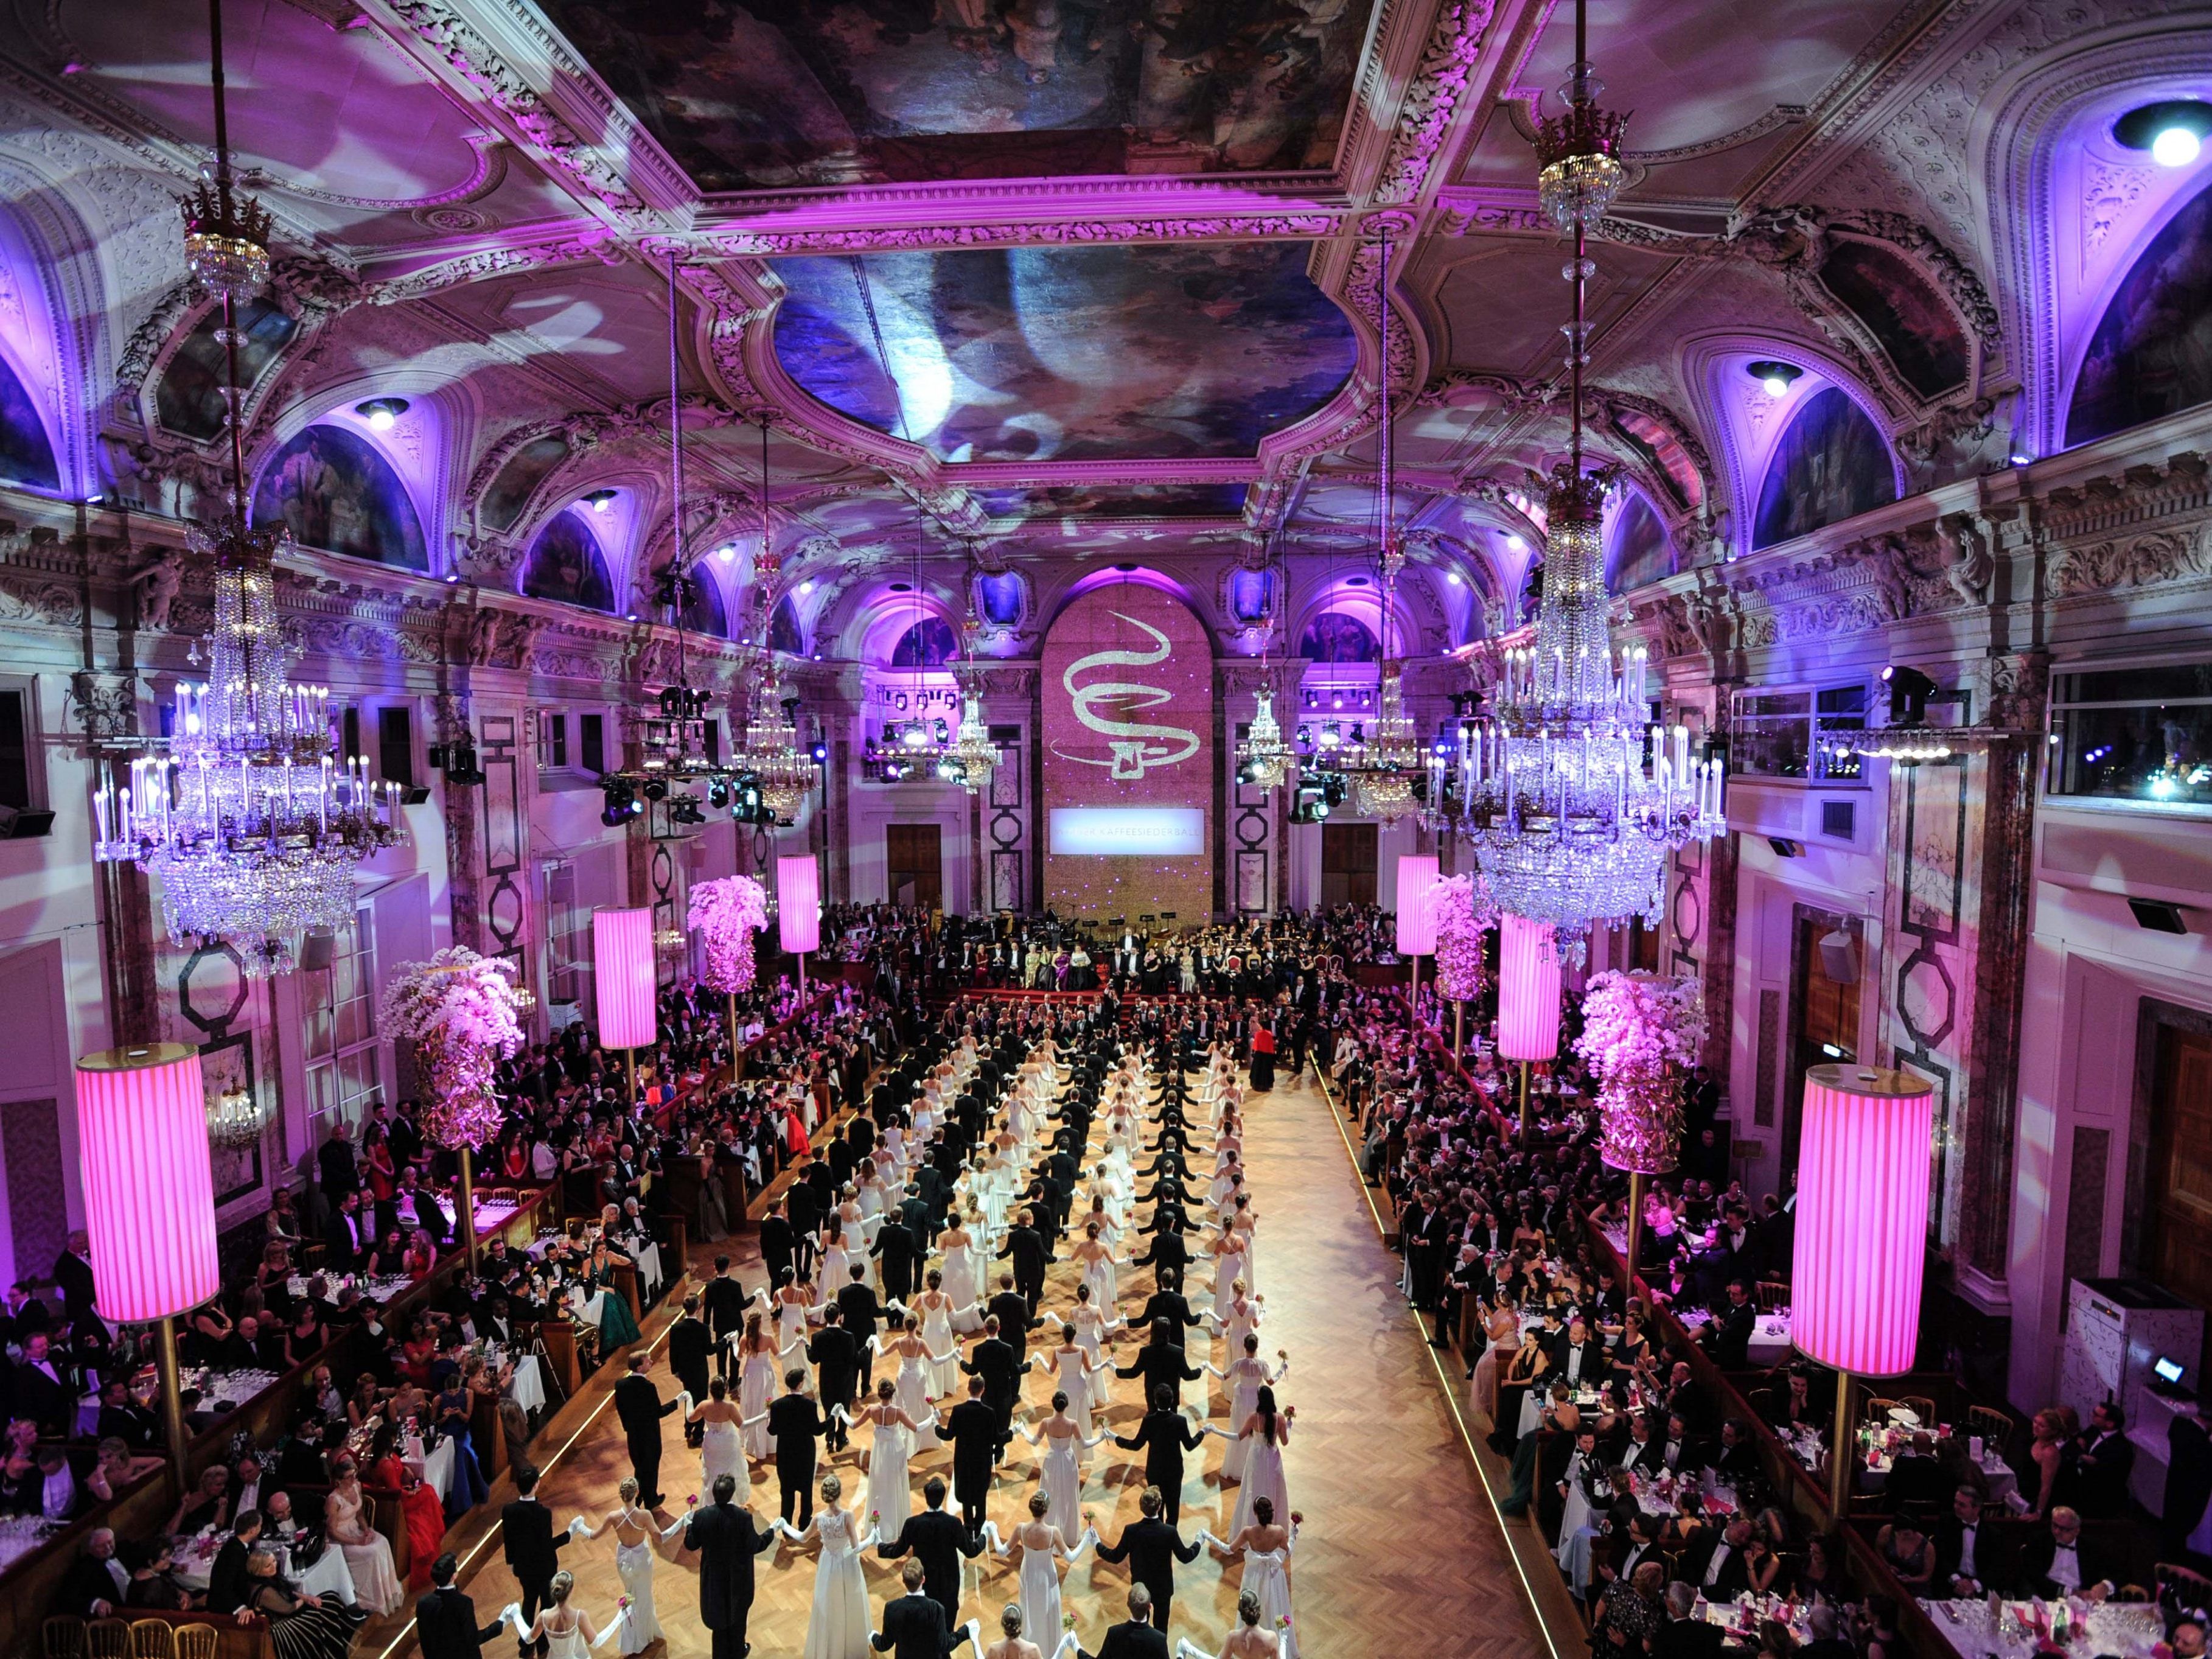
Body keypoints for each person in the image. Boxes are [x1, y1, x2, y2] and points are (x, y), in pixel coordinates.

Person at [775, 1470, 878, 1659]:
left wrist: (785, 1525)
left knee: (829, 1603)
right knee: (849, 1601)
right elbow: (856, 1548)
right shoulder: (847, 1516)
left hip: (828, 1563)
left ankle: (831, 1647)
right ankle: (851, 1646)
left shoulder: (819, 1518)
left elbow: (802, 1538)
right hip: (847, 1563)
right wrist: (872, 1538)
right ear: (840, 1493)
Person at [573, 1477, 682, 1655]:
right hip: (642, 1564)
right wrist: (682, 1522)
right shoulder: (644, 1515)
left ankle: (632, 1638)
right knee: (644, 1597)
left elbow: (593, 1536)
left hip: (624, 1563)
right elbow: (661, 1538)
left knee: (630, 1595)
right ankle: (643, 1638)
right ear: (637, 1493)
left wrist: (579, 1526)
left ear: (621, 1495)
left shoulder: (613, 1517)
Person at [877, 1475, 988, 1638]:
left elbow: (897, 1551)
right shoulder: (953, 1523)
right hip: (948, 1586)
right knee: (946, 1630)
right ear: (943, 1497)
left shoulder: (913, 1523)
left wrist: (879, 1546)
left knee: (925, 1630)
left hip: (924, 1584)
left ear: (926, 1497)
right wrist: (984, 1535)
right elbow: (971, 1551)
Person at [687, 1471, 778, 1659]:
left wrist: (689, 1526)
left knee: (719, 1626)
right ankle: (738, 1651)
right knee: (738, 1622)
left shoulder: (701, 1516)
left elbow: (691, 1544)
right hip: (739, 1579)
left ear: (714, 1493)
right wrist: (770, 1533)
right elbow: (756, 1545)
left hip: (714, 1580)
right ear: (732, 1494)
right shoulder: (743, 1518)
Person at [994, 1490, 1092, 1652]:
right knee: (1047, 1613)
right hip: (1047, 1578)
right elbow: (1071, 1558)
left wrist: (993, 1530)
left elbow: (1002, 1552)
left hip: (1029, 1575)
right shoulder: (1053, 1532)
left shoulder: (1021, 1529)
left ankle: (1027, 1650)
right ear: (1046, 1511)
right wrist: (1087, 1539)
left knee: (1029, 1611)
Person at [1095, 1487, 1201, 1635]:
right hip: (1162, 1589)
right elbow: (1186, 1556)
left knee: (1139, 1627)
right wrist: (1198, 1542)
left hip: (1140, 1589)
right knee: (1161, 1630)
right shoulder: (1169, 1532)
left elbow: (1115, 1556)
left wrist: (1097, 1544)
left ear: (1141, 1507)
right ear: (1159, 1507)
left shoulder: (1131, 1531)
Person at [244, 1543, 369, 1659]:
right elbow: (289, 1608)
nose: (273, 1566)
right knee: (320, 1614)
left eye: (273, 1561)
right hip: (282, 1626)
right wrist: (305, 1601)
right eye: (268, 1566)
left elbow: (289, 1592)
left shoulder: (270, 1578)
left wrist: (307, 1597)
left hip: (290, 1612)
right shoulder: (265, 1591)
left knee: (330, 1597)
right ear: (257, 1570)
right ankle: (335, 1652)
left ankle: (351, 1630)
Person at [501, 1463, 570, 1659]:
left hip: (523, 1568)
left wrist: (512, 1562)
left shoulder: (508, 1510)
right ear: (536, 1485)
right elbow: (546, 1545)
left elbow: (509, 1540)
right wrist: (568, 1536)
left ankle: (526, 1644)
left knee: (529, 1602)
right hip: (544, 1568)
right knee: (547, 1605)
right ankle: (542, 1643)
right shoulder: (543, 1514)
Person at [326, 1455, 405, 1614]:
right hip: (341, 1540)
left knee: (383, 1542)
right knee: (372, 1552)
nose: (353, 1480)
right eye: (349, 1477)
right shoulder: (333, 1500)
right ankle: (372, 1598)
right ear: (338, 1481)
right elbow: (332, 1531)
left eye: (354, 1475)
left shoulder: (357, 1486)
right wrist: (355, 1541)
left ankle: (388, 1593)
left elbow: (360, 1513)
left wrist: (367, 1529)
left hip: (357, 1529)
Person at [872, 1556, 975, 1659]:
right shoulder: (936, 1609)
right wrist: (965, 1631)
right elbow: (945, 1645)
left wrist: (872, 1636)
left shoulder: (892, 1608)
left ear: (904, 1581)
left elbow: (884, 1645)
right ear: (923, 1579)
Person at [613, 1350, 677, 1508]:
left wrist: (627, 1427)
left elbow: (621, 1409)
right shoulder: (648, 1387)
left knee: (639, 1465)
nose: (652, 1362)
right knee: (651, 1466)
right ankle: (651, 1499)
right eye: (648, 1362)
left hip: (633, 1434)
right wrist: (676, 1402)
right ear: (640, 1367)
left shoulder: (620, 1385)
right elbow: (658, 1412)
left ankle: (639, 1494)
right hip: (650, 1435)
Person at [416, 1551, 509, 1659]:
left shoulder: (423, 1603)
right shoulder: (463, 1603)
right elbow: (473, 1639)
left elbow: (424, 1639)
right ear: (453, 1576)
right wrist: (500, 1623)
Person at [690, 1375, 756, 1504]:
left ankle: (712, 1502)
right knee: (731, 1470)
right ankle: (732, 1503)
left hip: (711, 1444)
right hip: (728, 1443)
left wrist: (687, 1398)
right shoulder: (730, 1407)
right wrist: (763, 1417)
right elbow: (742, 1425)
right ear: (725, 1390)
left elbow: (691, 1418)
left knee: (713, 1471)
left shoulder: (704, 1405)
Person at [509, 1569, 599, 1659]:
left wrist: (516, 1615)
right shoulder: (580, 1616)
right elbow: (596, 1643)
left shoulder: (543, 1616)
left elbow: (528, 1640)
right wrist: (614, 1623)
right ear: (571, 1590)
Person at [1173, 1589, 1277, 1659]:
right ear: (1258, 1610)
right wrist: (1284, 1638)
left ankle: (1185, 1647)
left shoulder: (1233, 1636)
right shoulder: (1271, 1638)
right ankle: (1185, 1647)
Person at [1081, 1584, 1169, 1659]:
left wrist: (1078, 1649)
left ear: (1128, 1604)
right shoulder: (1159, 1639)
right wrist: (1180, 1656)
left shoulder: (1114, 1634)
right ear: (1150, 1607)